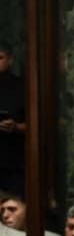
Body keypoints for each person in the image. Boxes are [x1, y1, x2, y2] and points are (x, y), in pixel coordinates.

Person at [0, 44, 25, 197]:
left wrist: (16, 127)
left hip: (14, 163)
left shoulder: (22, 87)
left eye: (0, 58)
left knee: (14, 203)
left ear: (10, 60)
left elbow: (38, 125)